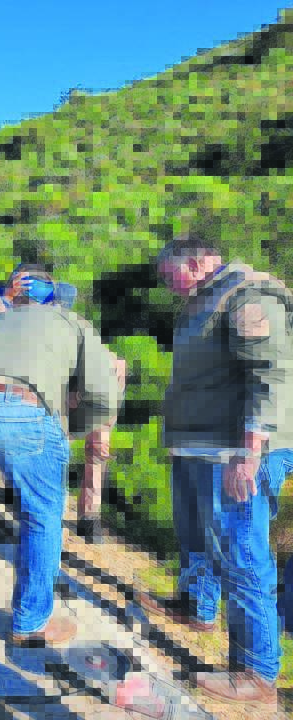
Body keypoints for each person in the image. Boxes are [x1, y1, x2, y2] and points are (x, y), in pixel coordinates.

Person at [135, 233, 293, 706]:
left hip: (237, 450)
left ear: (199, 261)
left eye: (171, 275)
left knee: (242, 554)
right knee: (197, 537)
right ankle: (197, 607)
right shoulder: (204, 301)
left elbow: (270, 373)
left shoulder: (247, 294)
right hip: (199, 447)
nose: (167, 285)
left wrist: (250, 451)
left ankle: (256, 674)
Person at [0, 293, 120, 649]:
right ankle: (30, 623)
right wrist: (68, 430)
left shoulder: (6, 317)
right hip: (13, 399)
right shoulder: (77, 326)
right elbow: (105, 397)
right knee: (42, 513)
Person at [0, 264, 127, 544]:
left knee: (95, 446)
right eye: (27, 288)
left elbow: (90, 353)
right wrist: (5, 299)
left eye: (41, 291)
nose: (35, 298)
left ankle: (88, 516)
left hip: (56, 398)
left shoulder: (59, 317)